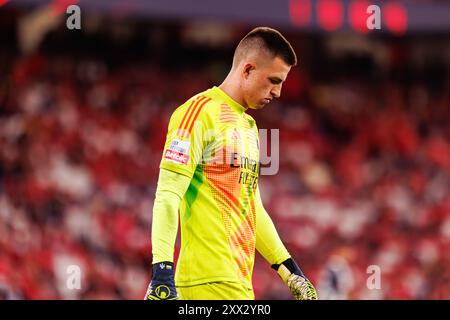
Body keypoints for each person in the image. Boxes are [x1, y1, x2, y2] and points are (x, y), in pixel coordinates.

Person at [145, 27, 318, 300]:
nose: (279, 92)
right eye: (273, 80)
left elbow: (252, 208)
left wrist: (290, 271)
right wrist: (162, 274)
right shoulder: (198, 112)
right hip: (204, 282)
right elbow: (168, 194)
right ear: (247, 69)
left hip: (239, 285)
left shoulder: (249, 127)